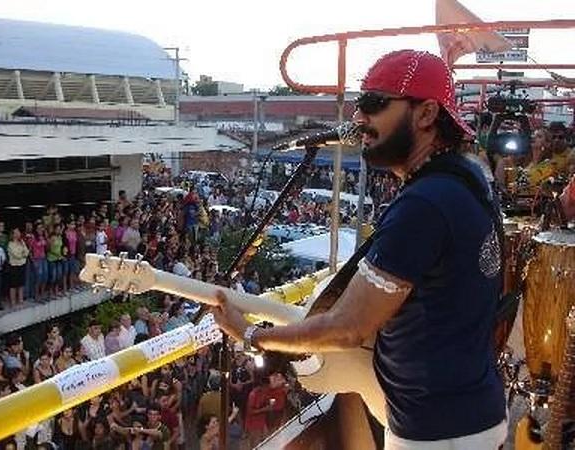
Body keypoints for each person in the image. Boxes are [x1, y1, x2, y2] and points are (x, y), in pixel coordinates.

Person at [213, 50, 507, 449]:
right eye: (358, 104)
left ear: (426, 114)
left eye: (374, 104)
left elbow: (346, 328)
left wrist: (251, 334)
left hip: (439, 433)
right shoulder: (468, 179)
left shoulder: (426, 204)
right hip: (467, 414)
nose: (358, 119)